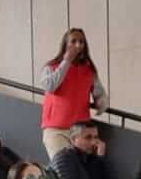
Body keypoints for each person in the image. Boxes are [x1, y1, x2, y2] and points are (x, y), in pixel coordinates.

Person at [40, 27, 107, 159]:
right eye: (73, 41)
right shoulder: (51, 66)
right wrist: (66, 61)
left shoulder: (89, 70)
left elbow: (99, 93)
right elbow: (50, 86)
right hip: (56, 131)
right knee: (63, 166)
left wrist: (102, 103)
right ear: (65, 44)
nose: (78, 45)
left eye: (81, 42)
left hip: (81, 132)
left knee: (80, 168)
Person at [49, 121, 116, 179]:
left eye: (96, 137)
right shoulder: (63, 158)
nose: (93, 142)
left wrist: (101, 157)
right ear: (73, 140)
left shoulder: (92, 158)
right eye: (88, 138)